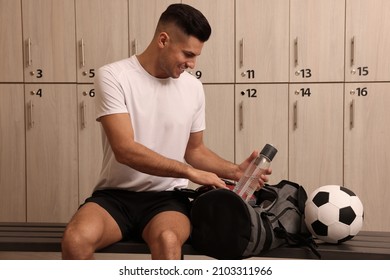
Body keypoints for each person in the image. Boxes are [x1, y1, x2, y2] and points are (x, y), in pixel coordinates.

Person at [61, 3, 271, 260]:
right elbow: (125, 150)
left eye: (196, 56)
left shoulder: (193, 88)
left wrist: (235, 172)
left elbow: (194, 150)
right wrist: (188, 172)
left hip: (167, 200)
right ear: (163, 40)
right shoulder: (114, 76)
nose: (192, 64)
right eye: (187, 54)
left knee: (168, 240)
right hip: (115, 197)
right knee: (75, 240)